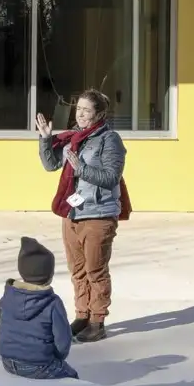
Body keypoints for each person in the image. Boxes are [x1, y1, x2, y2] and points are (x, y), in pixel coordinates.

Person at [36, 88, 130, 343]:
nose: (80, 115)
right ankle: (82, 314)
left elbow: (111, 177)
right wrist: (46, 139)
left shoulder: (110, 140)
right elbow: (51, 164)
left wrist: (82, 169)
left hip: (98, 214)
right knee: (77, 269)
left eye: (86, 111)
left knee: (95, 270)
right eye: (78, 109)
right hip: (72, 212)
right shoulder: (74, 137)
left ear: (99, 114)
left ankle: (97, 321)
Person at [0, 236, 78, 380]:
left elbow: (4, 326)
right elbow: (63, 341)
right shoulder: (52, 303)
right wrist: (57, 358)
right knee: (72, 377)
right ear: (49, 275)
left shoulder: (7, 297)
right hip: (39, 366)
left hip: (7, 361)